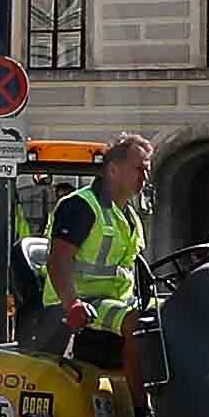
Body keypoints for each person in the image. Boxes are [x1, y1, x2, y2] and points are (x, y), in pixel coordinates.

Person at [44, 136, 156, 390]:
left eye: (147, 171)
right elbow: (58, 261)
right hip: (79, 304)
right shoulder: (80, 206)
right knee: (137, 324)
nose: (145, 177)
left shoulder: (129, 216)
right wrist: (72, 305)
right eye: (139, 170)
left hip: (117, 300)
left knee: (175, 312)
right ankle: (142, 408)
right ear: (114, 170)